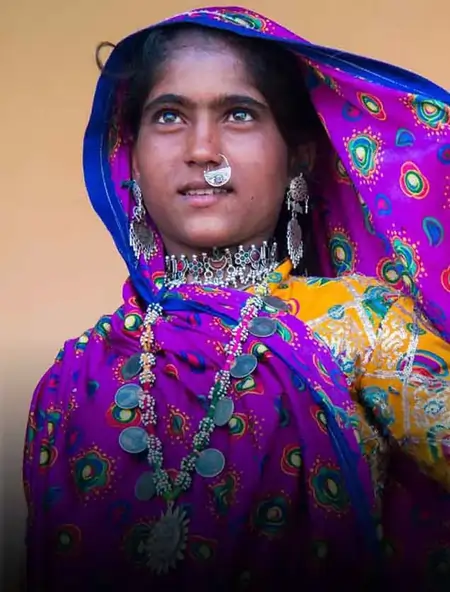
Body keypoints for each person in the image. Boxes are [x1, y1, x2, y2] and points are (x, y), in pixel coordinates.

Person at [23, 6, 450, 591]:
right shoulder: (72, 381)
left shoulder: (362, 325)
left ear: (296, 158)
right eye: (169, 116)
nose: (203, 150)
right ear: (134, 160)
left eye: (239, 114)